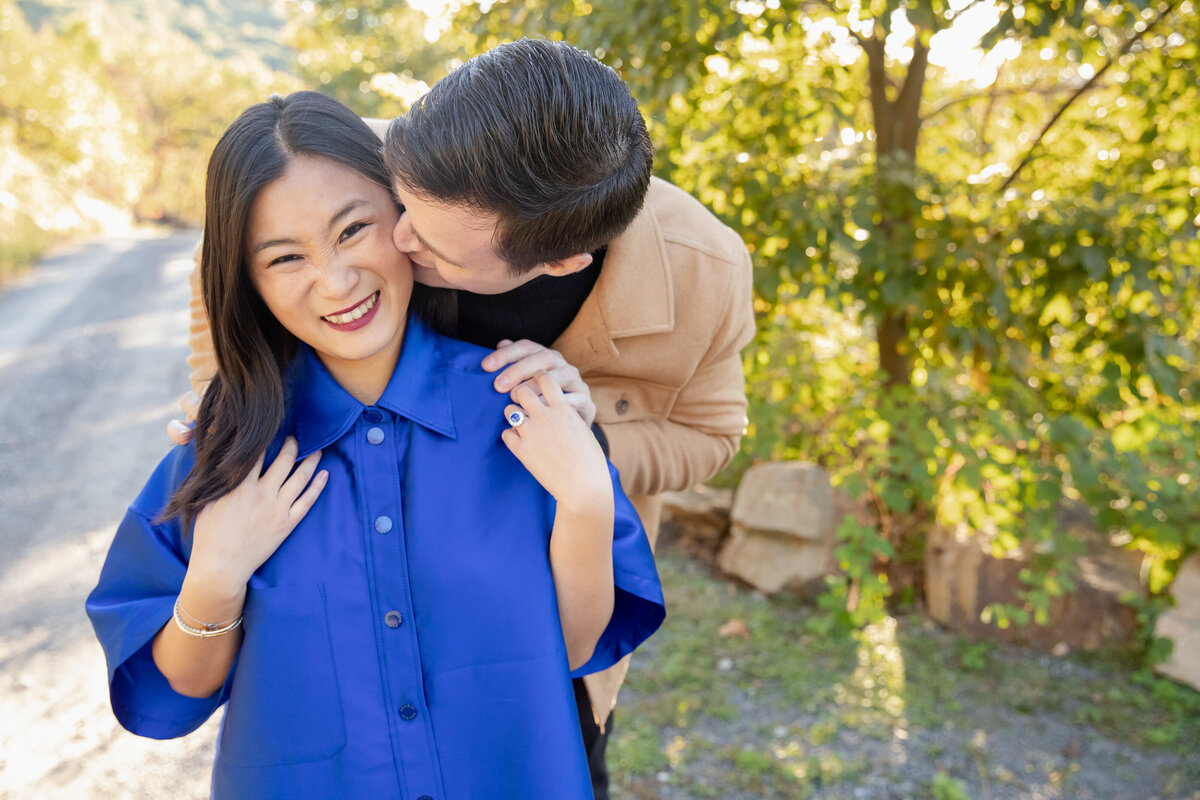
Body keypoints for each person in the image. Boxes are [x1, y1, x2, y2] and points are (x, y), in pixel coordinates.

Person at [178, 39, 755, 798]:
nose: (398, 238)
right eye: (401, 204)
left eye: (432, 241)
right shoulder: (363, 164)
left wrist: (586, 442)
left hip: (544, 598)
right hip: (352, 589)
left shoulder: (702, 269)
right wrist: (227, 417)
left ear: (557, 263)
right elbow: (239, 277)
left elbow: (713, 434)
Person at [87, 91, 664, 800]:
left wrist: (585, 500)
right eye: (284, 258)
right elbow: (178, 695)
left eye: (353, 229)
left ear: (407, 217)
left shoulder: (526, 415)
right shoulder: (227, 453)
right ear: (250, 282)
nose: (335, 281)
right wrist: (214, 575)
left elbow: (571, 653)